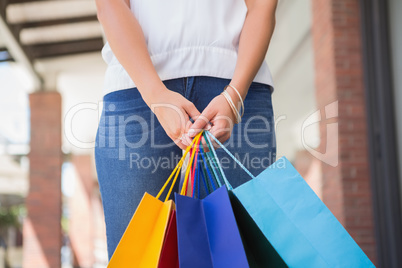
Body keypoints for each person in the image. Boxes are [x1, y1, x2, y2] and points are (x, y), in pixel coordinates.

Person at [95, 0, 278, 260]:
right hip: (136, 89)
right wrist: (155, 93)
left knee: (241, 258)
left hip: (237, 84)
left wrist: (235, 95)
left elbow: (263, 6)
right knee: (138, 260)